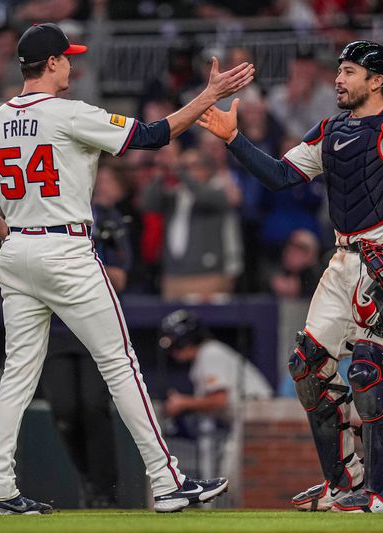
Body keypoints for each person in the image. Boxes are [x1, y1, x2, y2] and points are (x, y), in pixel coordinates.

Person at [0, 22, 253, 515]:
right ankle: (166, 482)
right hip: (66, 250)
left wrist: (12, 236)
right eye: (67, 57)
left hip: (17, 254)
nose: (72, 64)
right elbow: (155, 135)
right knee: (120, 364)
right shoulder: (69, 114)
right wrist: (208, 96)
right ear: (51, 63)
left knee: (18, 374)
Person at [198, 40, 383, 513]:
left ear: (377, 80)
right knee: (307, 367)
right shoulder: (328, 130)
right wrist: (234, 140)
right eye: (340, 70)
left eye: (350, 71)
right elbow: (281, 176)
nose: (339, 78)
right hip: (341, 260)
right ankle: (343, 481)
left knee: (368, 371)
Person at [40, 195, 133, 508]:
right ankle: (88, 481)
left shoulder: (105, 216)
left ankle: (105, 491)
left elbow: (120, 277)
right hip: (53, 327)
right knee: (64, 410)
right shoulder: (41, 209)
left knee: (94, 406)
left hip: (93, 324)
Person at [159, 310, 272, 485]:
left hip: (259, 417)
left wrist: (183, 403)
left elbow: (220, 400)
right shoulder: (205, 355)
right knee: (230, 476)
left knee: (234, 479)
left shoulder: (210, 353)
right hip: (248, 420)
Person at [141, 148, 243, 302]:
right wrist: (161, 175)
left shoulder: (218, 192)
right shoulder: (174, 195)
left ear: (208, 169)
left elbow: (202, 196)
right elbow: (148, 203)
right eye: (184, 166)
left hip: (206, 276)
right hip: (173, 275)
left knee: (206, 323)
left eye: (193, 166)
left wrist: (179, 171)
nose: (187, 171)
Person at [269, 228, 322, 299]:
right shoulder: (277, 274)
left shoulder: (322, 280)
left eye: (299, 247)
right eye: (289, 245)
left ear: (311, 253)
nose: (290, 251)